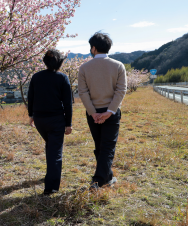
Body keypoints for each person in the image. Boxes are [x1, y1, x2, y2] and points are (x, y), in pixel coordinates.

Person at [78, 32, 127, 190]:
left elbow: (83, 92)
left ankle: (101, 179)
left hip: (93, 113)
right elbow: (121, 90)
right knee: (107, 147)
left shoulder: (84, 67)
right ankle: (102, 180)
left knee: (100, 146)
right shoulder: (118, 66)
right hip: (111, 113)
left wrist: (93, 112)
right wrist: (110, 111)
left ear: (93, 48)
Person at [28, 49, 73, 196]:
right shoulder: (62, 78)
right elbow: (67, 103)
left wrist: (31, 115)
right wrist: (68, 123)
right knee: (55, 152)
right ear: (59, 63)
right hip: (56, 120)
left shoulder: (36, 77)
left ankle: (49, 175)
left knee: (51, 146)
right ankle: (51, 187)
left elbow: (31, 98)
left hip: (40, 120)